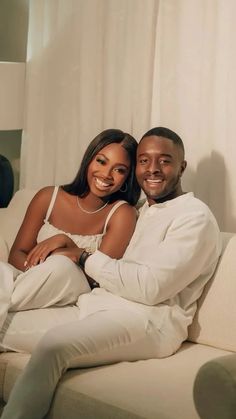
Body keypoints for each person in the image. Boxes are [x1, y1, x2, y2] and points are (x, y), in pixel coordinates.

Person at [1, 127, 222, 419]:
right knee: (4, 325)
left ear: (181, 166)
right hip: (94, 306)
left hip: (148, 322)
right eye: (144, 161)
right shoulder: (139, 210)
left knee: (53, 346)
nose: (153, 169)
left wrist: (81, 256)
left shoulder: (195, 217)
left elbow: (151, 288)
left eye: (164, 160)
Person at [0, 128, 141, 332]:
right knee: (2, 270)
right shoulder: (48, 197)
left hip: (73, 286)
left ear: (127, 178)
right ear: (89, 160)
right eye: (101, 161)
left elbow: (97, 275)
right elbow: (16, 254)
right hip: (27, 278)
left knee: (61, 265)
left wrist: (65, 244)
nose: (106, 174)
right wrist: (38, 272)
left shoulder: (122, 214)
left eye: (119, 170)